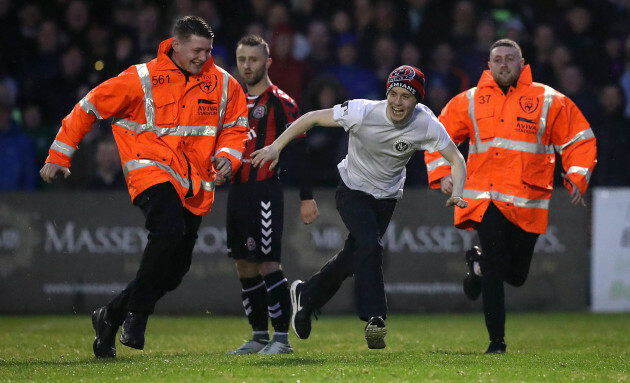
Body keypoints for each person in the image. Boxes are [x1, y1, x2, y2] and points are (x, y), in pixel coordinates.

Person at [39, 16, 249, 358]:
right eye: (197, 50)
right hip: (149, 169)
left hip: (194, 183)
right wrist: (59, 155)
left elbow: (236, 128)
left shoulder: (224, 85)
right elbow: (89, 105)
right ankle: (136, 317)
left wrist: (228, 156)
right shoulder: (141, 78)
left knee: (174, 271)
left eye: (207, 51)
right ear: (176, 46)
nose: (202, 57)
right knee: (167, 231)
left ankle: (110, 315)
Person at [252, 65, 468, 349]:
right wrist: (276, 147)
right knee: (371, 245)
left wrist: (458, 192)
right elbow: (311, 118)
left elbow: (457, 160)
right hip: (352, 191)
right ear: (386, 93)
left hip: (387, 199)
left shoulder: (426, 123)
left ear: (417, 101)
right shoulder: (363, 111)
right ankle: (375, 317)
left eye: (406, 96)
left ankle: (306, 294)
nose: (398, 102)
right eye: (394, 94)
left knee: (354, 255)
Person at [424, 39, 597, 354]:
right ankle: (496, 343)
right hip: (484, 196)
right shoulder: (470, 100)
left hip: (527, 200)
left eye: (509, 59)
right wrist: (442, 172)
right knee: (495, 266)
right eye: (497, 59)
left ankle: (476, 266)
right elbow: (437, 133)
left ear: (522, 63)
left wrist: (576, 175)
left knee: (516, 275)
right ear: (489, 66)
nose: (503, 64)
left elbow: (579, 137)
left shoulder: (547, 99)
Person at [226, 34, 319, 355]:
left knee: (268, 263)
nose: (247, 66)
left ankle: (281, 339)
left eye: (253, 60)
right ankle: (258, 336)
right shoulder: (232, 101)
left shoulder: (281, 102)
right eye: (241, 60)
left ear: (267, 62)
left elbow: (301, 152)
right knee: (243, 264)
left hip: (265, 192)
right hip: (237, 192)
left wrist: (306, 197)